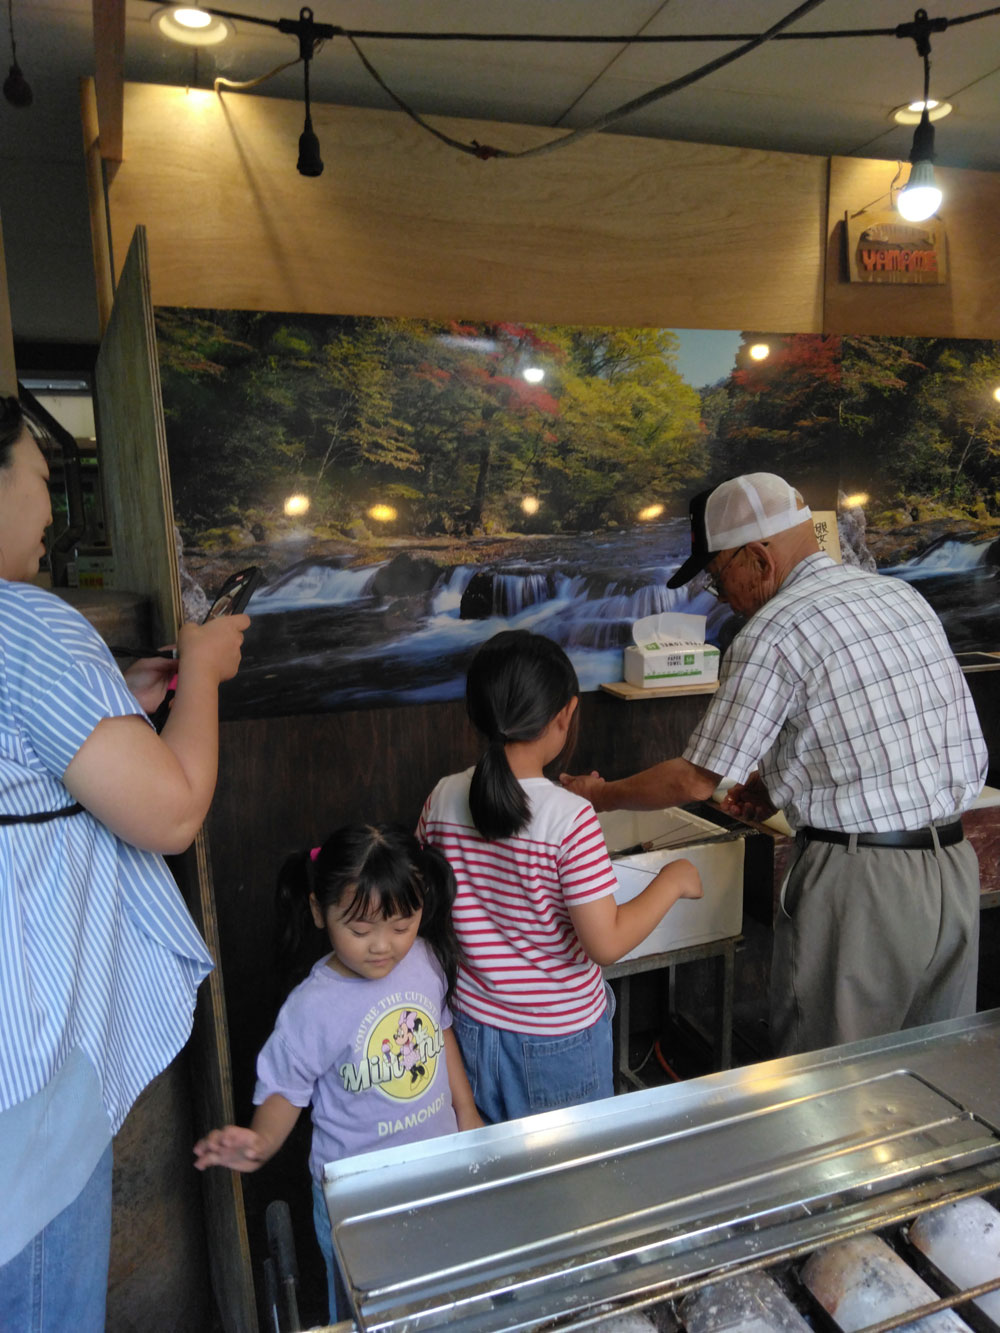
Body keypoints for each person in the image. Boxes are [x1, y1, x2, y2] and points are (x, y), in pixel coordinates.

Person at [562, 471, 988, 1058]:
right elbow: (879, 736)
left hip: (862, 887)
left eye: (717, 579)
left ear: (757, 558)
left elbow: (694, 779)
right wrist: (778, 785)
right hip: (954, 868)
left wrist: (597, 796)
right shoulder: (899, 596)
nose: (722, 597)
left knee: (831, 1077)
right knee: (933, 1067)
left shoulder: (773, 630)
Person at [0, 395, 249, 1333]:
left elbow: (35, 772)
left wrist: (118, 703)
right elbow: (172, 811)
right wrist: (205, 673)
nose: (52, 509)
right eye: (40, 479)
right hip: (23, 1076)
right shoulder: (28, 625)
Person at [193, 823, 483, 1323]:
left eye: (401, 925)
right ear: (318, 911)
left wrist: (466, 1110)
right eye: (361, 930)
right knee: (367, 1311)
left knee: (438, 1298)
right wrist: (261, 1141)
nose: (383, 946)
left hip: (436, 1170)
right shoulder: (313, 1006)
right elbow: (286, 1091)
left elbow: (440, 1032)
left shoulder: (425, 960)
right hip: (356, 1198)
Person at [418, 629, 702, 1124]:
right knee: (570, 1170)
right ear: (565, 715)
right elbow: (606, 943)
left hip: (469, 1029)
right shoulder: (570, 818)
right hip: (557, 1041)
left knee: (491, 1162)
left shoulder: (442, 796)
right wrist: (672, 880)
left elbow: (428, 903)